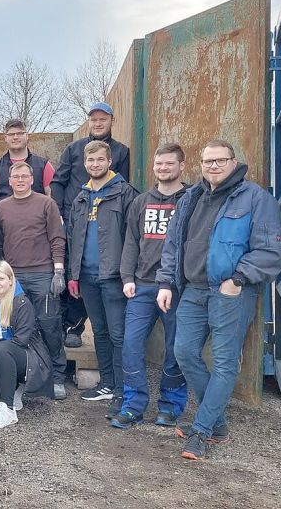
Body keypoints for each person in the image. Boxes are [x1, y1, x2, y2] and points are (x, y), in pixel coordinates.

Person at [156, 140, 281, 460]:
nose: (213, 166)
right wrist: (167, 282)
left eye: (219, 161)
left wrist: (237, 280)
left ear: (234, 161)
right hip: (193, 290)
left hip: (231, 293)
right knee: (184, 352)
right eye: (207, 161)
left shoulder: (255, 198)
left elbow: (269, 252)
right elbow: (173, 245)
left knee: (225, 364)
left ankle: (200, 431)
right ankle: (218, 424)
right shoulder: (190, 197)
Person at [112, 143, 189, 430]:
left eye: (169, 164)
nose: (163, 168)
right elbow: (131, 242)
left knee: (175, 348)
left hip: (179, 288)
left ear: (182, 166)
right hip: (142, 286)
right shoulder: (141, 201)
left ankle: (170, 405)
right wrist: (127, 277)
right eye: (159, 164)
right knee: (131, 345)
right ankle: (133, 405)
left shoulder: (191, 200)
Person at [67, 140, 137, 419]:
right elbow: (74, 237)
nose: (94, 165)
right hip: (87, 276)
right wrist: (74, 275)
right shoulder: (81, 197)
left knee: (119, 334)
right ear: (85, 164)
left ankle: (123, 389)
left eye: (99, 160)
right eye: (90, 161)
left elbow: (133, 239)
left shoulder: (125, 194)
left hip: (114, 276)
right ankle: (107, 383)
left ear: (109, 162)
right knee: (100, 332)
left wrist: (127, 275)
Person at [51, 103, 131, 348]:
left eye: (102, 119)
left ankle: (86, 327)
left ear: (112, 121)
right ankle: (69, 325)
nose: (98, 123)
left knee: (98, 277)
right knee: (73, 273)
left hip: (104, 225)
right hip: (73, 221)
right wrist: (60, 216)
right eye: (94, 119)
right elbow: (58, 182)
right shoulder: (74, 149)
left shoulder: (122, 152)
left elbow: (124, 185)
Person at [0, 161, 68, 400]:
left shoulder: (47, 204)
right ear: (9, 181)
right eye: (16, 177)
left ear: (32, 178)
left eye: (25, 176)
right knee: (16, 326)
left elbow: (57, 238)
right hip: (13, 276)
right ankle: (20, 376)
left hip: (42, 273)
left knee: (49, 324)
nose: (21, 180)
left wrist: (58, 271)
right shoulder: (1, 207)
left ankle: (57, 375)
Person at [0, 261, 53, 429]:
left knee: (3, 349)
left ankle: (7, 410)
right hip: (3, 355)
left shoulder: (21, 303)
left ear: (10, 280)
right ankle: (13, 389)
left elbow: (21, 341)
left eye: (1, 278)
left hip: (29, 357)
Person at [0, 119, 55, 203]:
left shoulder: (44, 165)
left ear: (27, 136)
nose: (15, 137)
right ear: (5, 138)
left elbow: (52, 196)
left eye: (20, 133)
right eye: (11, 134)